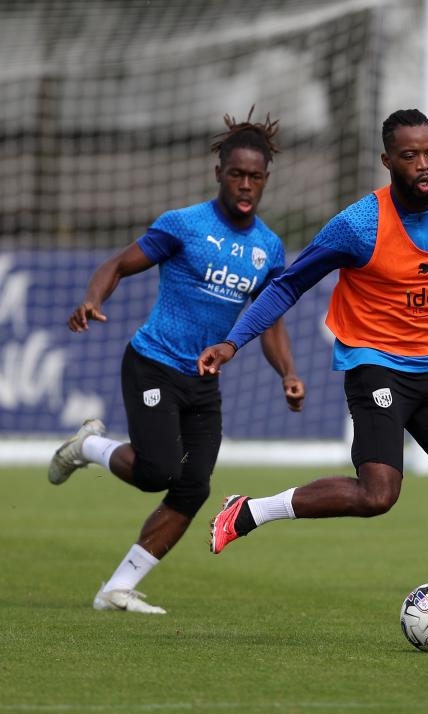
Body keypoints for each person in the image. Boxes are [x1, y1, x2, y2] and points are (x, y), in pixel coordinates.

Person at [197, 109, 428, 652]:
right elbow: (287, 286)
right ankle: (252, 511)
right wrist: (233, 341)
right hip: (374, 365)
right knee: (378, 496)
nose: (423, 166)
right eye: (409, 156)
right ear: (387, 161)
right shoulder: (359, 225)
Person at [47, 110, 305, 615]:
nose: (246, 185)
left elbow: (270, 320)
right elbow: (118, 264)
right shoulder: (184, 225)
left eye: (255, 176)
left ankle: (115, 589)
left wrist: (288, 374)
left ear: (267, 179)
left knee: (194, 486)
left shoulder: (269, 249)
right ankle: (90, 446)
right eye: (237, 174)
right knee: (156, 472)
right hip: (153, 364)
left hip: (204, 381)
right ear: (219, 173)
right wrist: (92, 298)